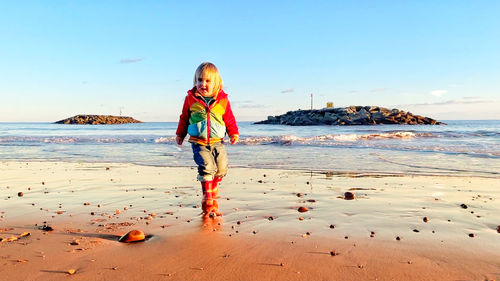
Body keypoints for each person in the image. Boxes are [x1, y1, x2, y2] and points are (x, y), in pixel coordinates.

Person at [176, 62, 239, 207]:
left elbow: (229, 118)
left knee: (222, 168)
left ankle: (214, 184)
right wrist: (180, 134)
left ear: (216, 83)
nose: (202, 84)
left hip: (218, 141)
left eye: (207, 81)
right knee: (206, 166)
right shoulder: (190, 99)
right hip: (199, 142)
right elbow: (184, 118)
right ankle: (207, 194)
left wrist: (233, 133)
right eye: (199, 80)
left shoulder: (222, 100)